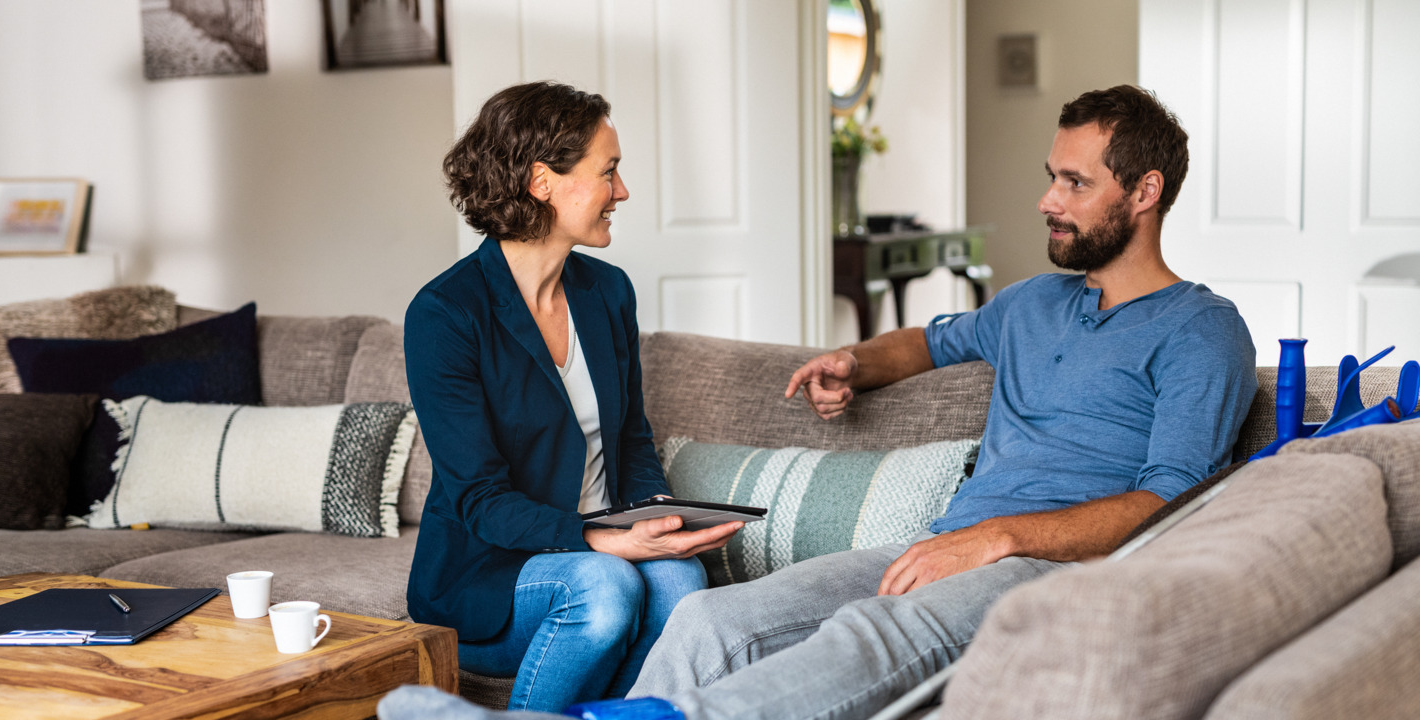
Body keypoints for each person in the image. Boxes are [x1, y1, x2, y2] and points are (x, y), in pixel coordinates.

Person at [378, 84, 1257, 720]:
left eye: (1074, 182)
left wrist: (999, 536)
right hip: (942, 545)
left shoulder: (1200, 331)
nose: (1045, 200)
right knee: (718, 617)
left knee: (869, 639)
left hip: (1046, 566)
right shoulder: (1032, 303)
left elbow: (1169, 500)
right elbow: (928, 342)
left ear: (1144, 194)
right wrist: (852, 363)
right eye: (1051, 176)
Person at [401, 81, 743, 713]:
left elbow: (632, 440)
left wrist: (661, 516)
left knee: (679, 580)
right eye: (608, 172)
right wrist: (601, 540)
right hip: (488, 575)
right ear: (542, 181)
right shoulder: (445, 315)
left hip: (598, 546)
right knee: (606, 587)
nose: (623, 191)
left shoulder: (607, 293)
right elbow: (479, 498)